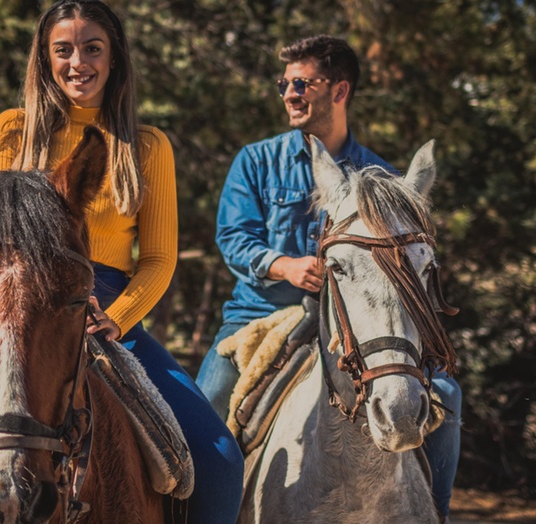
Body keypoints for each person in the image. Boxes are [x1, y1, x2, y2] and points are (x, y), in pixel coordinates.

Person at [0, 1, 243, 523]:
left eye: (93, 48)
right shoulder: (10, 130)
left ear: (114, 59)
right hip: (10, 311)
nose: (78, 62)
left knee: (220, 458)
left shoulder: (148, 146)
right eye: (62, 50)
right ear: (44, 60)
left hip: (110, 316)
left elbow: (158, 259)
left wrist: (118, 316)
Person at [194, 34, 461, 520]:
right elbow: (234, 238)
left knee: (446, 397)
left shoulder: (383, 178)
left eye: (302, 83)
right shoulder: (255, 161)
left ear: (339, 91)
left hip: (359, 329)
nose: (290, 94)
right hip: (260, 318)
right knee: (205, 408)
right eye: (284, 84)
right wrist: (286, 265)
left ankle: (435, 510)